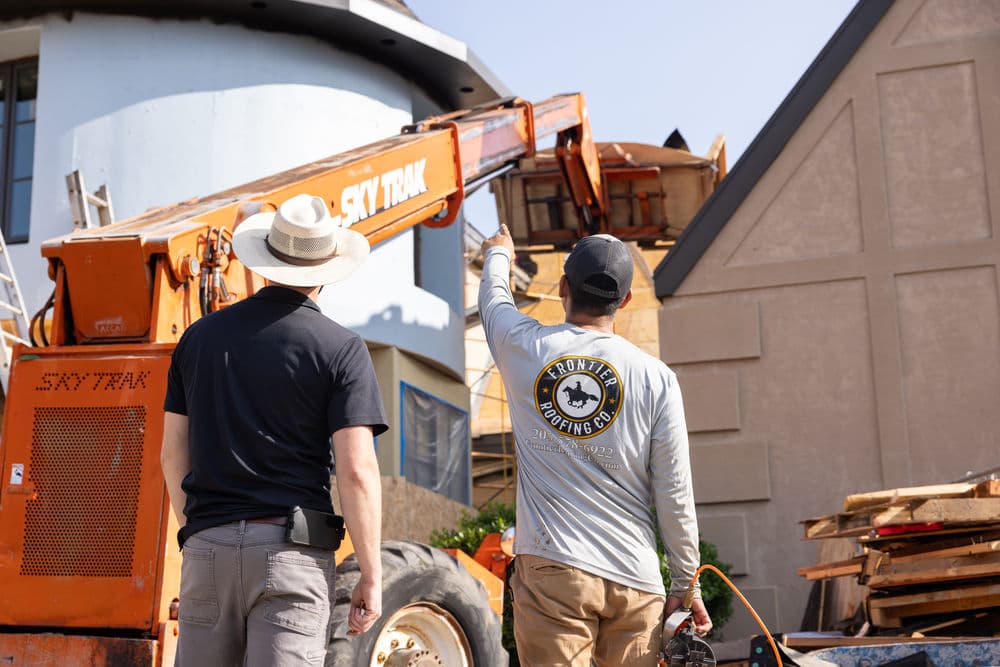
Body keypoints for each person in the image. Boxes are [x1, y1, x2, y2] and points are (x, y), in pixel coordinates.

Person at [161, 194, 387, 666]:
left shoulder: (197, 338)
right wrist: (371, 570)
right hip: (292, 557)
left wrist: (198, 535)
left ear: (263, 262)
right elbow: (356, 470)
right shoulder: (342, 349)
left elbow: (171, 455)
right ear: (326, 268)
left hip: (207, 549)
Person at [479, 225, 712, 666]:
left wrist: (498, 256)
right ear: (624, 301)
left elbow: (494, 300)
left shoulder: (524, 346)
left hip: (554, 569)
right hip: (637, 582)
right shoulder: (657, 378)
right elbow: (675, 491)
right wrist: (686, 582)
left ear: (563, 287)